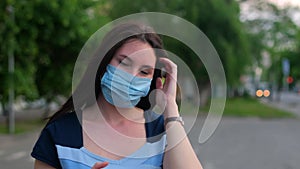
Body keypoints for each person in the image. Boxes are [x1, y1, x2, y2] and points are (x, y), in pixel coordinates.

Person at [31, 22, 203, 169]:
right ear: (103, 62)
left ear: (153, 80)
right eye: (123, 62)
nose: (131, 77)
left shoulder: (163, 132)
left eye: (144, 72)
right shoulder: (60, 133)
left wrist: (170, 108)